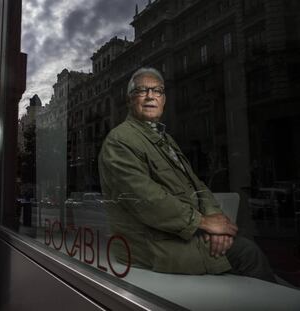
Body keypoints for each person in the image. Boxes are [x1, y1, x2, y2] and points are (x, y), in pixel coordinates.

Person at [98, 67, 275, 282]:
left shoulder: (165, 139)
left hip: (182, 234)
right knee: (248, 253)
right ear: (129, 100)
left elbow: (197, 185)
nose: (150, 96)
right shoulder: (119, 141)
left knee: (244, 249)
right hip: (155, 246)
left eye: (157, 91)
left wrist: (214, 221)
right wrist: (204, 223)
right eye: (142, 90)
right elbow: (146, 199)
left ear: (164, 100)